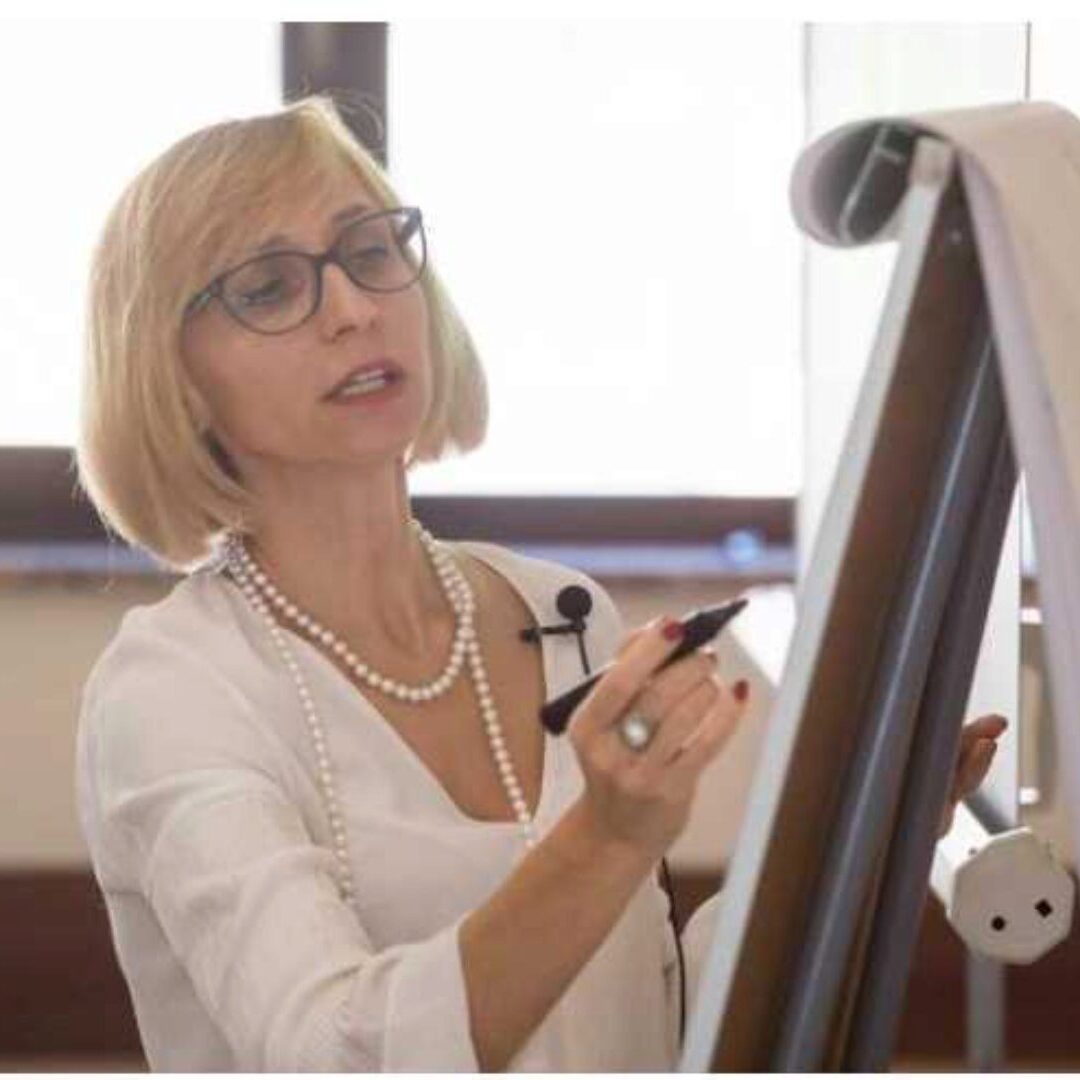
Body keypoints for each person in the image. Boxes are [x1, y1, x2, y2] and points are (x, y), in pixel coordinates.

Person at [73, 94, 1007, 1073]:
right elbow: (333, 1056)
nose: (352, 308)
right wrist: (606, 836)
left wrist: (872, 835)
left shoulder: (560, 613)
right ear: (174, 378)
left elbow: (649, 1021)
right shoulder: (173, 690)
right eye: (269, 289)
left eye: (370, 250)